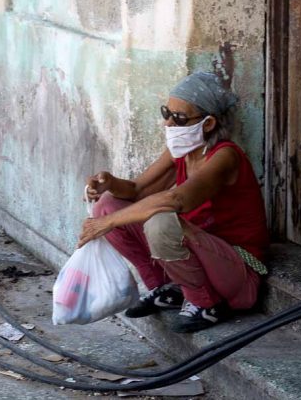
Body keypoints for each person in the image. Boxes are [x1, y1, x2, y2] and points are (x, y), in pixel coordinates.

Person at [78, 72, 269, 333]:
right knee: (108, 203)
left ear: (208, 123)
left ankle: (206, 301)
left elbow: (176, 199)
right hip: (199, 257)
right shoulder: (183, 151)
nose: (169, 123)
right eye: (166, 113)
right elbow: (137, 190)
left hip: (236, 270)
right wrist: (109, 184)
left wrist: (106, 223)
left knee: (160, 221)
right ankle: (162, 286)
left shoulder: (225, 157)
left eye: (178, 118)